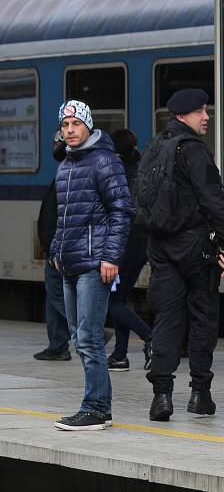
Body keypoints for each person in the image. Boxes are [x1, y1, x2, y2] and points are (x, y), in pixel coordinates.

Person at [145, 89, 224, 421]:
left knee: (167, 321)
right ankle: (200, 394)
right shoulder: (194, 151)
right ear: (184, 115)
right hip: (196, 248)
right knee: (202, 318)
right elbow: (214, 200)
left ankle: (162, 397)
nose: (207, 117)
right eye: (201, 111)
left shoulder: (155, 147)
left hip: (161, 248)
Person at [50, 100, 133, 431]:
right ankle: (97, 406)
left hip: (94, 264)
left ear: (88, 125)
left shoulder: (104, 161)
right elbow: (64, 217)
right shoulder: (66, 165)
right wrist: (57, 251)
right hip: (70, 263)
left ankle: (96, 408)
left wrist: (111, 257)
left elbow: (122, 211)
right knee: (79, 336)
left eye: (75, 124)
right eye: (64, 125)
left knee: (89, 338)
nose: (69, 130)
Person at [106, 129, 153, 372]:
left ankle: (150, 338)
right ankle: (119, 356)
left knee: (112, 301)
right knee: (120, 299)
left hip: (121, 247)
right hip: (141, 245)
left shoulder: (116, 173)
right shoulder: (141, 170)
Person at [33, 132, 71, 361]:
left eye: (57, 141)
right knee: (52, 294)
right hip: (55, 244)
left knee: (56, 292)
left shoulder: (68, 172)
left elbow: (59, 215)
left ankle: (89, 328)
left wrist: (53, 245)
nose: (54, 145)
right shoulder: (64, 169)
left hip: (59, 246)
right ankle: (57, 345)